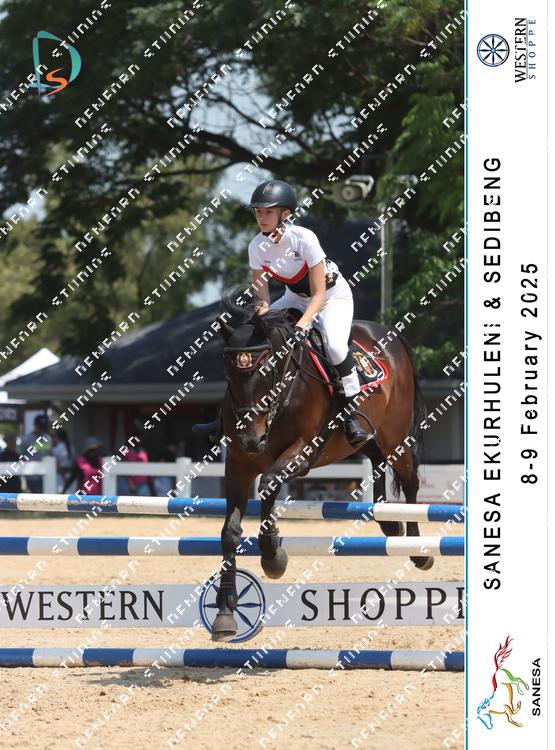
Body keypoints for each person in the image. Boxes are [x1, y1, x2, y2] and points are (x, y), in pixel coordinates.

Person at [194, 179, 370, 448]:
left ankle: (351, 416)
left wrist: (301, 326)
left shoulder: (304, 238)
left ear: (285, 214)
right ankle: (223, 421)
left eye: (268, 212)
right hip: (294, 298)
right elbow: (262, 298)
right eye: (258, 212)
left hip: (331, 297)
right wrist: (260, 323)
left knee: (335, 348)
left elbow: (319, 295)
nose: (261, 217)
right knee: (248, 342)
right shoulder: (256, 247)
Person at [19, 414, 52, 492]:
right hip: (32, 476)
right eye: (40, 427)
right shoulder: (26, 439)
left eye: (43, 427)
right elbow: (21, 456)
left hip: (47, 475)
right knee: (37, 496)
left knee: (49, 496)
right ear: (35, 425)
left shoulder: (48, 438)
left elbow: (50, 454)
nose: (42, 429)